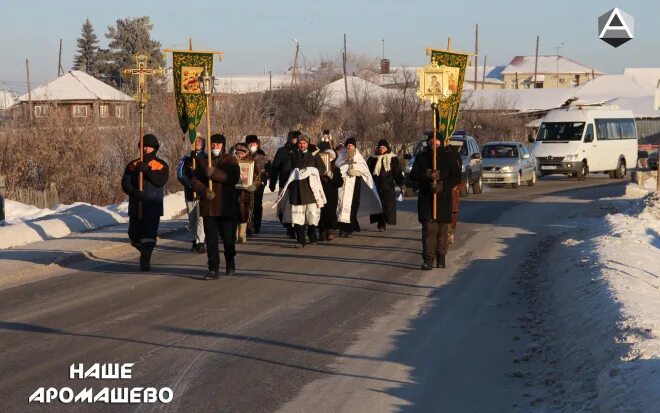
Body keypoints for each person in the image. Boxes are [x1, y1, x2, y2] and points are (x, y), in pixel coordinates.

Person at [409, 133, 462, 270]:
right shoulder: (422, 157)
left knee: (442, 231)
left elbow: (456, 177)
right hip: (427, 198)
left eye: (436, 140)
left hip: (443, 198)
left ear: (441, 142)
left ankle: (441, 256)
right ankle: (428, 259)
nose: (434, 142)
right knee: (428, 230)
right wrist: (427, 175)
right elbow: (413, 175)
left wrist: (443, 185)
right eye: (431, 140)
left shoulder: (449, 157)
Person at [191, 134, 240, 279]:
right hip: (209, 207)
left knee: (228, 240)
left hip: (225, 207)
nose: (215, 147)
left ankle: (230, 261)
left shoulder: (231, 161)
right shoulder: (203, 161)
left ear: (223, 145)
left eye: (218, 145)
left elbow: (233, 179)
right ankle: (213, 268)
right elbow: (194, 181)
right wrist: (204, 190)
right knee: (211, 241)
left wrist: (215, 173)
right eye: (213, 144)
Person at [121, 134, 169, 271]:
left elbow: (160, 180)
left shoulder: (160, 164)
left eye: (148, 147)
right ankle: (145, 251)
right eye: (143, 146)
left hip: (152, 205)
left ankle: (145, 260)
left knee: (148, 235)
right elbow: (125, 182)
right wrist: (134, 191)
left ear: (154, 148)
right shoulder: (132, 165)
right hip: (136, 205)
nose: (145, 149)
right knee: (133, 235)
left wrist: (147, 170)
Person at [274, 134, 327, 248]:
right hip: (296, 189)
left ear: (307, 143)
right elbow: (286, 170)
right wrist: (293, 174)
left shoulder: (314, 155)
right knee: (298, 216)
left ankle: (312, 234)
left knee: (312, 214)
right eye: (300, 143)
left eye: (304, 143)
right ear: (297, 144)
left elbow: (322, 169)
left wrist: (311, 170)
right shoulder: (292, 154)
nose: (302, 145)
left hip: (310, 189)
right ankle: (301, 240)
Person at [335, 137, 382, 237]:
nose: (349, 147)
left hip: (354, 187)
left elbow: (365, 172)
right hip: (342, 187)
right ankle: (342, 229)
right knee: (341, 206)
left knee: (352, 207)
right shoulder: (341, 156)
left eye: (351, 145)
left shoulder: (359, 158)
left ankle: (349, 229)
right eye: (347, 145)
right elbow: (337, 167)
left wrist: (357, 172)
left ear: (355, 147)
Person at [367, 139, 405, 232]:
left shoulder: (392, 158)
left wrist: (401, 184)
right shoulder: (373, 158)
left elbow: (397, 173)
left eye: (383, 147)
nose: (381, 149)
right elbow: (367, 171)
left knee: (386, 206)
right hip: (375, 186)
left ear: (387, 148)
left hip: (388, 187)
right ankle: (380, 223)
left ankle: (384, 221)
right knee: (377, 205)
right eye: (380, 147)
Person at [176, 136, 206, 254]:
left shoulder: (206, 158)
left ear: (203, 143)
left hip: (202, 193)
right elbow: (180, 175)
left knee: (201, 218)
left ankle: (201, 242)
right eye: (196, 141)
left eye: (200, 141)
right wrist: (190, 185)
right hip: (190, 193)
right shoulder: (186, 159)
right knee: (192, 218)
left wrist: (201, 186)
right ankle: (195, 239)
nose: (198, 143)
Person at [270, 131, 301, 239]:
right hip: (285, 184)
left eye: (298, 139)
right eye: (294, 138)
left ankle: (297, 229)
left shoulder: (301, 151)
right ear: (290, 139)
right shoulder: (282, 151)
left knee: (297, 208)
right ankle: (289, 228)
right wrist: (272, 183)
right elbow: (275, 168)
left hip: (299, 185)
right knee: (283, 208)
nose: (296, 141)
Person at [233, 142, 261, 243]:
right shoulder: (232, 162)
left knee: (244, 213)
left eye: (241, 153)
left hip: (246, 193)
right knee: (234, 213)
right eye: (238, 153)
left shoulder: (251, 163)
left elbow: (257, 177)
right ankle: (234, 234)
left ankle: (242, 234)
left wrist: (254, 185)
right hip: (233, 192)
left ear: (246, 153)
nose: (239, 155)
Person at [318, 142, 343, 241]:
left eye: (331, 157)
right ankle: (322, 231)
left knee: (331, 212)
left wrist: (331, 175)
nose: (330, 159)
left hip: (332, 194)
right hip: (321, 192)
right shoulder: (319, 168)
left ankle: (330, 230)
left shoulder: (336, 169)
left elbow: (339, 182)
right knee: (321, 212)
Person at [245, 135, 270, 235]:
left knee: (257, 204)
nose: (252, 145)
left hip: (259, 184)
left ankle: (257, 225)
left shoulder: (261, 155)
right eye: (250, 143)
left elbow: (268, 169)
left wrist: (264, 178)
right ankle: (248, 225)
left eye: (254, 143)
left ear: (257, 144)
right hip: (246, 183)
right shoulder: (244, 154)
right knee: (247, 204)